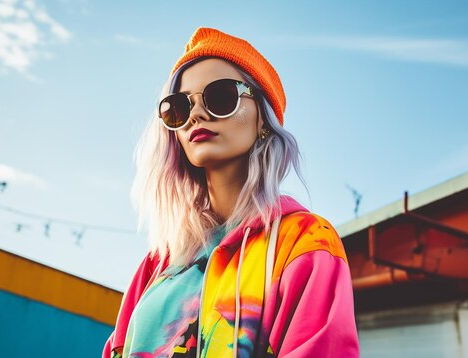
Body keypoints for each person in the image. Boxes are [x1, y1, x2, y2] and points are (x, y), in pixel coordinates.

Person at [103, 27, 359, 358]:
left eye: (221, 96)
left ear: (263, 119)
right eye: (178, 108)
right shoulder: (157, 263)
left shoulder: (305, 243)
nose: (195, 115)